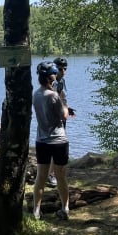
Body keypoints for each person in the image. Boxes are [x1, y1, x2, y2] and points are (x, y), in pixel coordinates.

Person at [31, 61, 71, 220]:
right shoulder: (54, 95)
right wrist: (64, 102)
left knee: (41, 176)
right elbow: (63, 115)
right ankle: (65, 208)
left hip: (42, 140)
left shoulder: (36, 94)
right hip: (59, 140)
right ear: (50, 78)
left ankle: (36, 210)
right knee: (61, 176)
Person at [48, 57, 75, 186]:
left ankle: (56, 172)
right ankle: (51, 175)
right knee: (55, 145)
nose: (63, 71)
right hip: (52, 118)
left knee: (60, 144)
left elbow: (62, 97)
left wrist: (67, 108)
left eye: (65, 68)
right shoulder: (51, 82)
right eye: (60, 69)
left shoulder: (61, 81)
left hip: (61, 116)